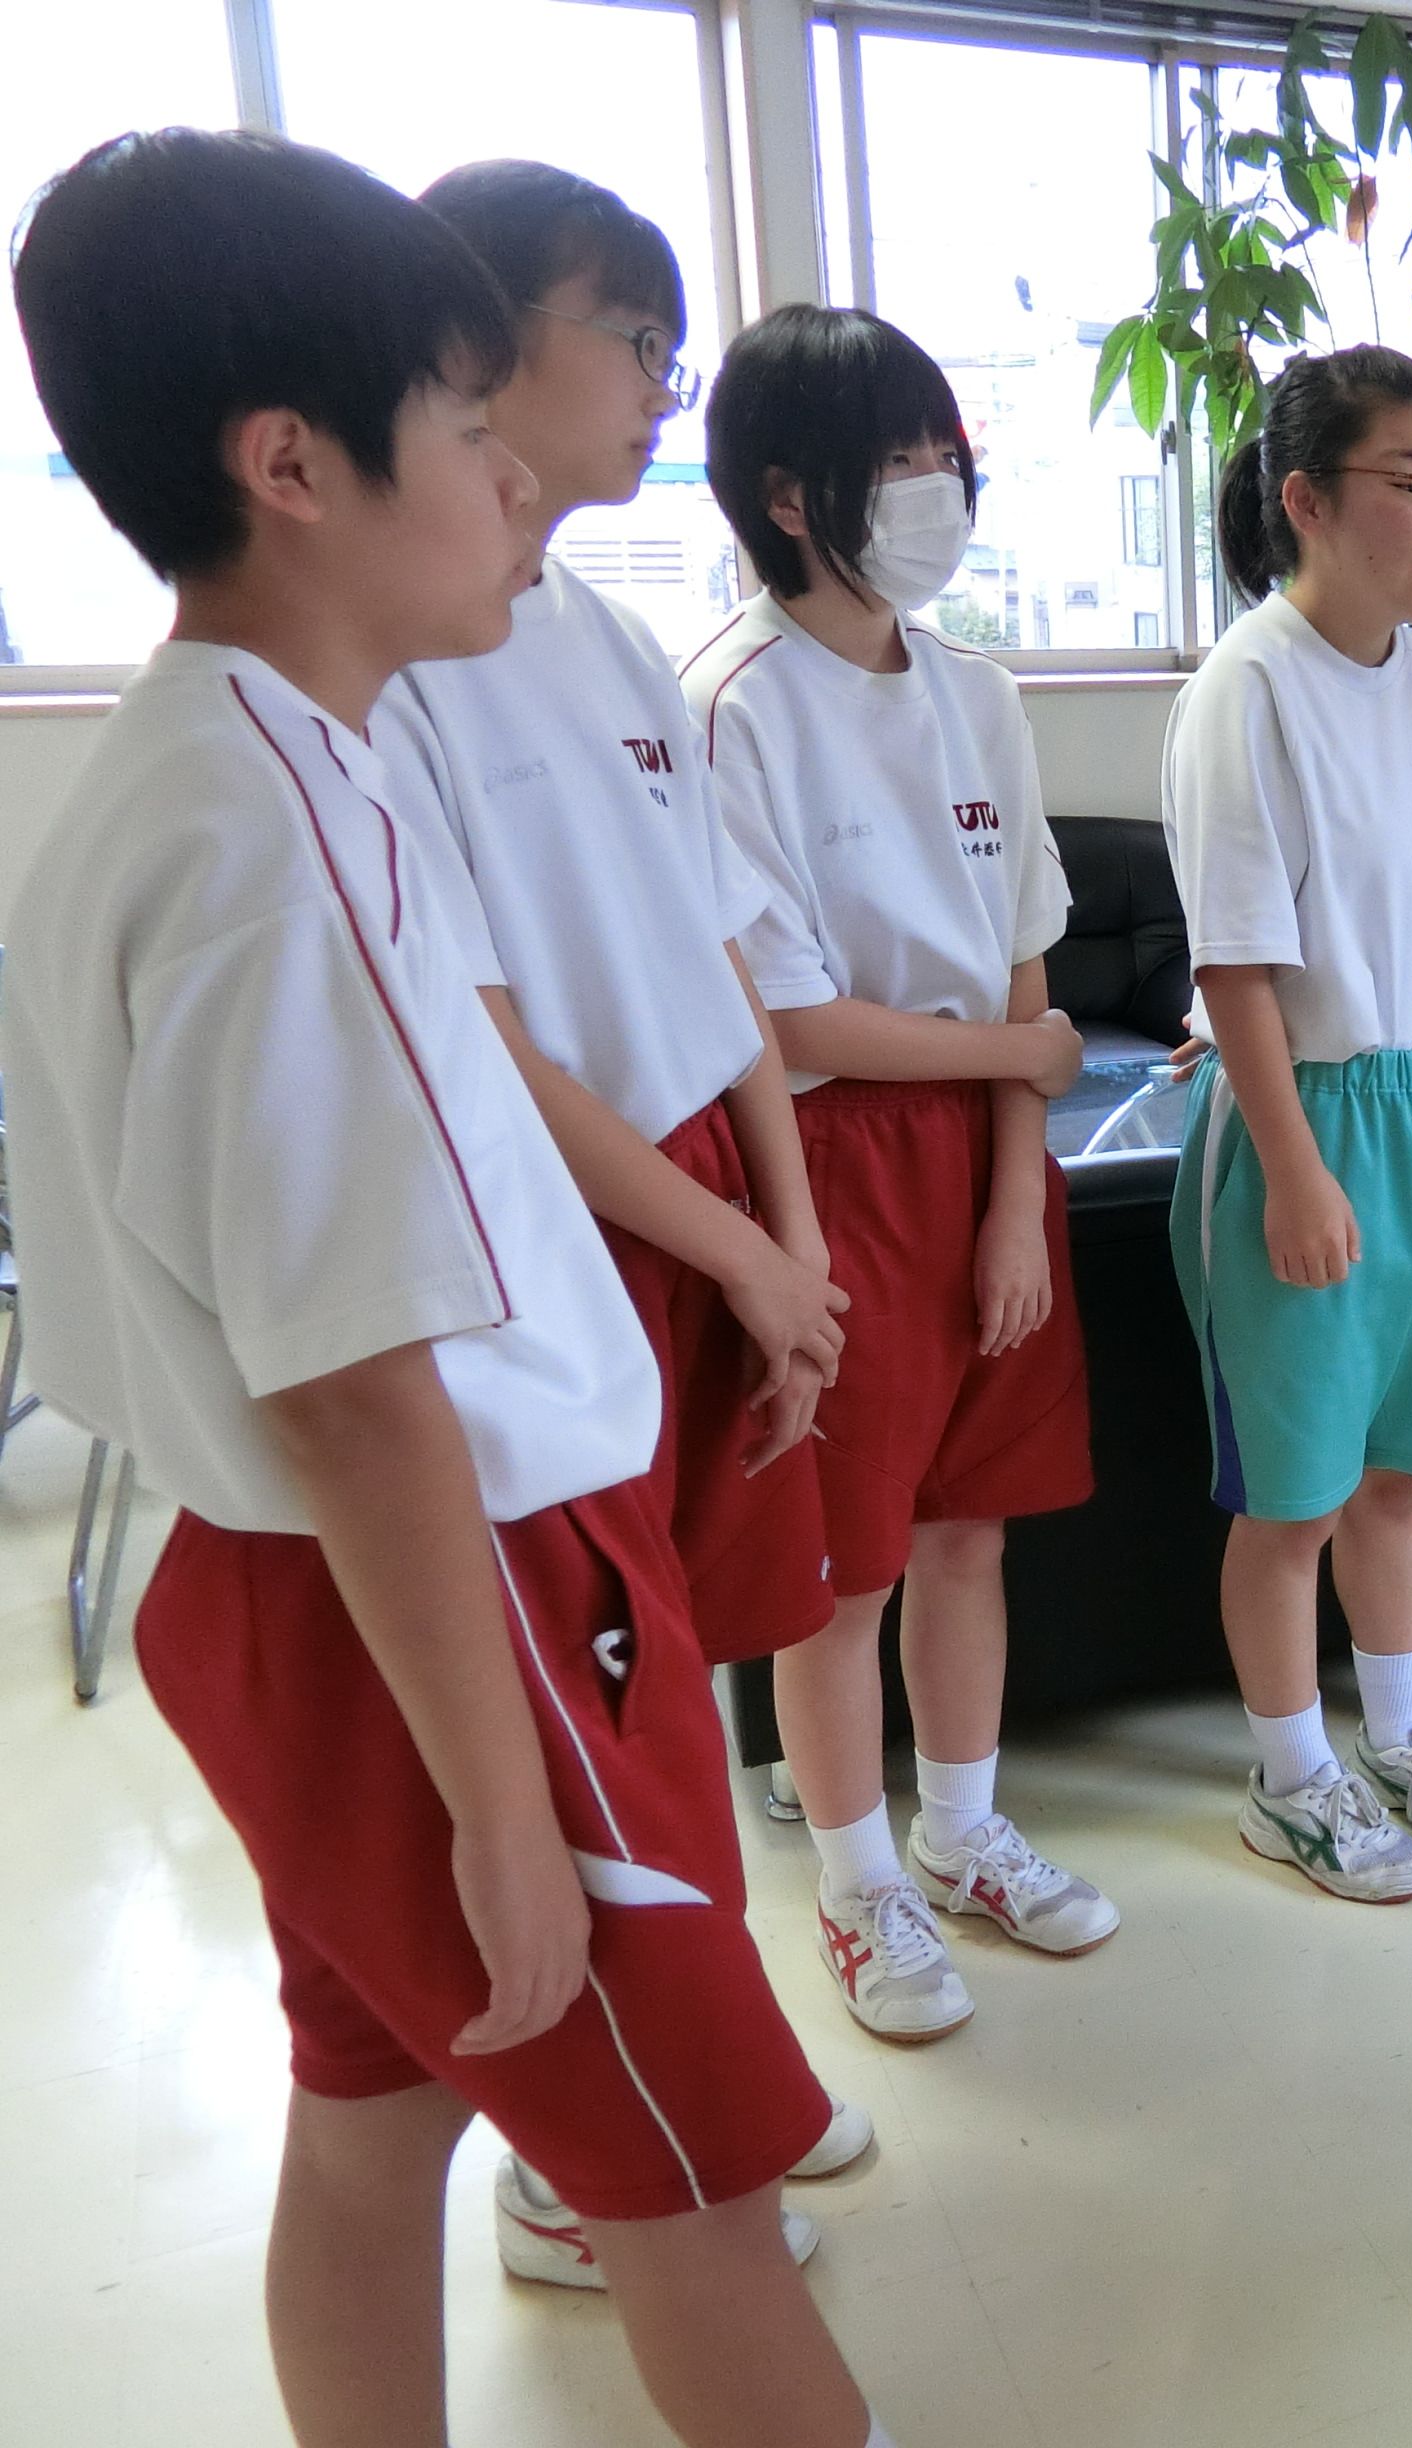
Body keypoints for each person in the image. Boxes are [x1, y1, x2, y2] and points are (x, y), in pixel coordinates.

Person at [4, 128, 886, 2445]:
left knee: (374, 2118)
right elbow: (363, 1384)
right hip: (449, 1597)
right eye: (468, 432)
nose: (518, 484)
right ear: (290, 463)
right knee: (693, 2186)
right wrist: (507, 1803)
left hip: (314, 1594)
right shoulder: (272, 829)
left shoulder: (218, 761)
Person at [376, 159, 874, 2276]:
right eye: (633, 335)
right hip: (566, 1234)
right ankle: (579, 2158)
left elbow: (717, 960)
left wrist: (786, 1224)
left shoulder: (596, 629)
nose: (666, 379)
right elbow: (479, 1040)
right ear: (481, 339)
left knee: (677, 1692)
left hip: (698, 1208)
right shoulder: (399, 650)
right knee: (589, 1714)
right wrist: (732, 1244)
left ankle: (705, 2056)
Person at [690, 303, 1111, 2043]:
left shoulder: (980, 694)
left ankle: (960, 1825)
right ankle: (855, 1875)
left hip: (981, 1156)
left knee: (964, 1527)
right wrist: (1020, 1065)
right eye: (901, 457)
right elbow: (793, 1016)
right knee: (838, 1561)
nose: (940, 485)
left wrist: (1020, 1188)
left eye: (950, 453)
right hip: (835, 1157)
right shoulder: (732, 705)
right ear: (791, 496)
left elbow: (1023, 959)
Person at [1162, 345, 1412, 1901]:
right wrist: (1297, 1172)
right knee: (1297, 1490)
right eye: (1408, 486)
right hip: (1308, 1117)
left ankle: (1396, 1737)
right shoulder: (1249, 688)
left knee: (1404, 1473)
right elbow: (1237, 964)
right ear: (1304, 499)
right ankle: (1289, 1773)